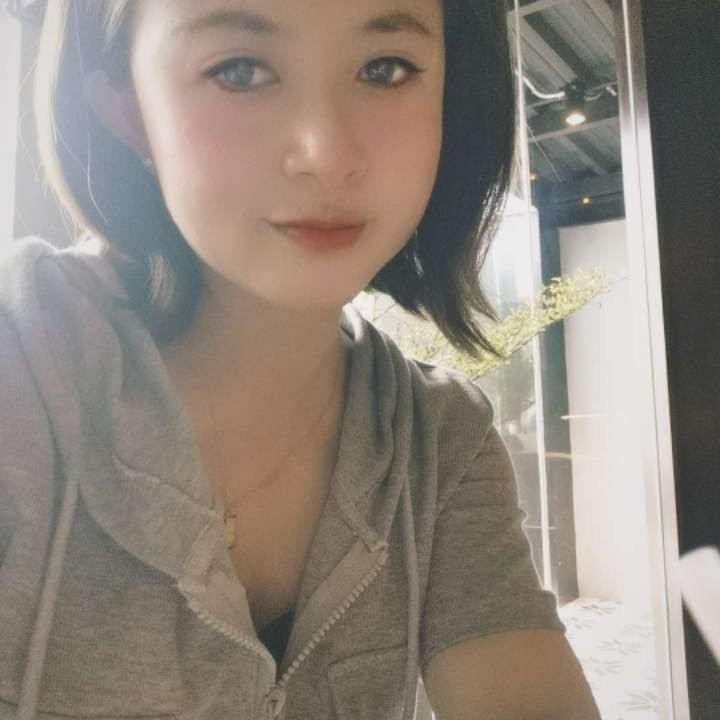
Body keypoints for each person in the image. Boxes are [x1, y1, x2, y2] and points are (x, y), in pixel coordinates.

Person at [0, 1, 601, 719]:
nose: (327, 154)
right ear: (126, 107)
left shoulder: (437, 441)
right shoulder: (22, 363)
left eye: (385, 69)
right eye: (239, 70)